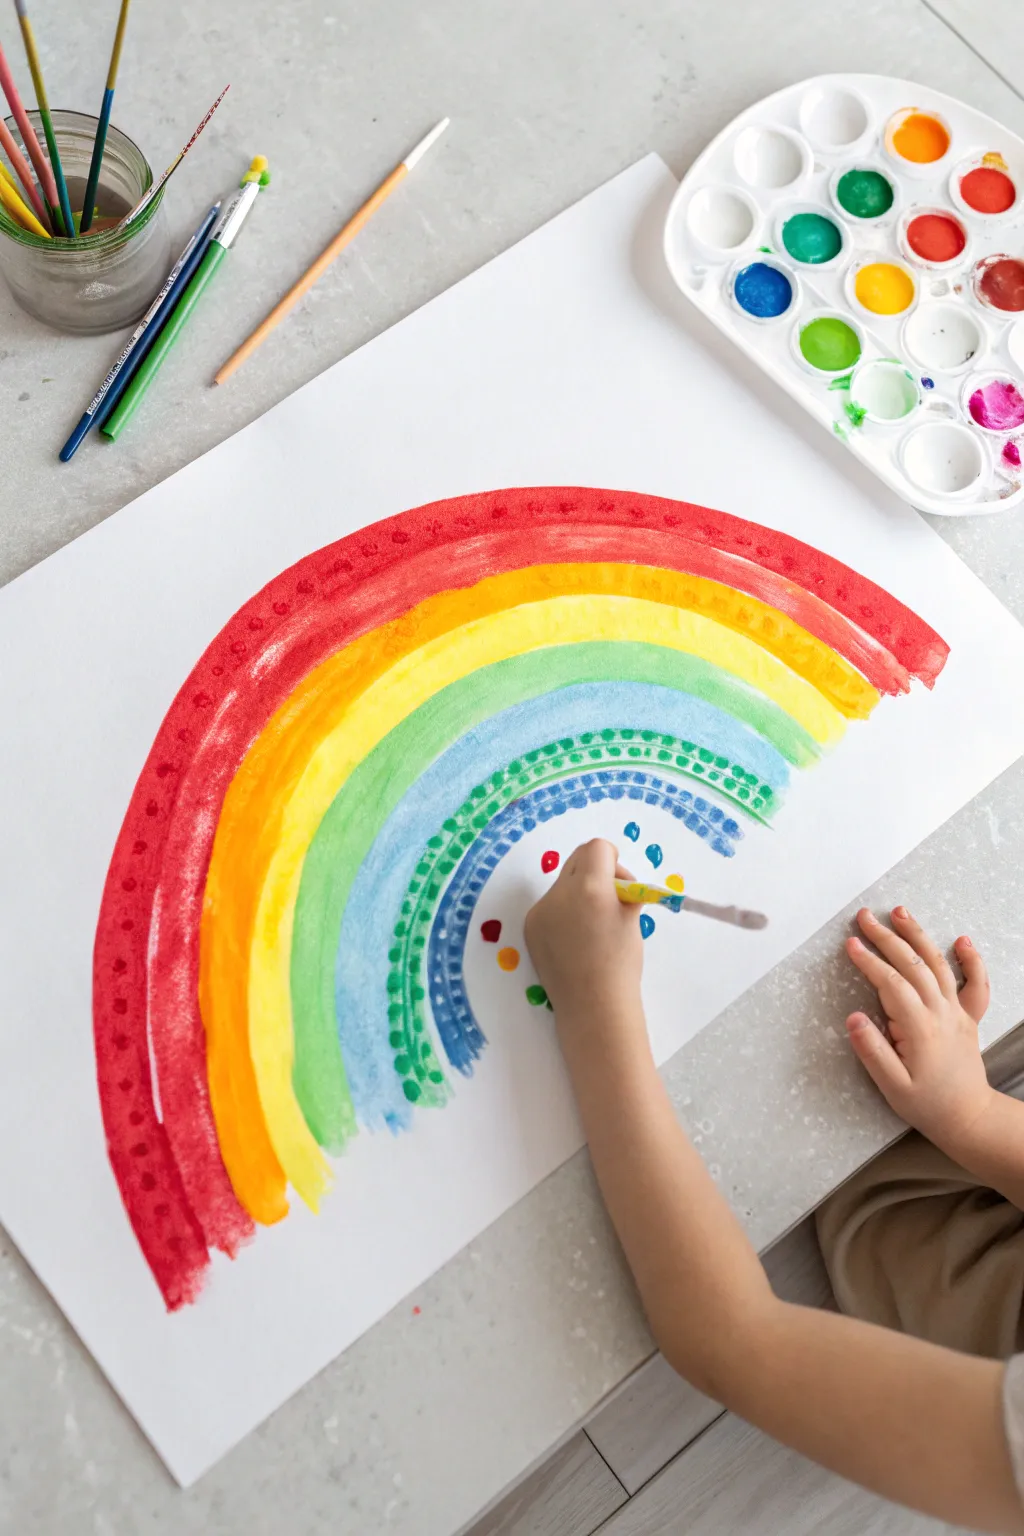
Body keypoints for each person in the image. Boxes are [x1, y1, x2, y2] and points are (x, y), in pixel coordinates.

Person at [524, 839, 1024, 1534]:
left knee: (895, 1227)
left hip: (963, 1273)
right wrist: (971, 1112)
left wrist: (590, 1004)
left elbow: (730, 1341)